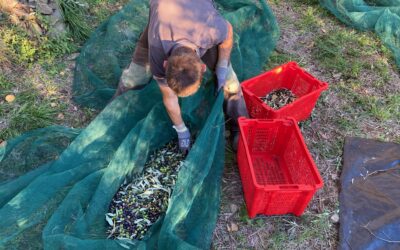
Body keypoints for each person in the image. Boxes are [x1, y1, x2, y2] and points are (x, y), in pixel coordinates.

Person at [113, 0, 248, 153]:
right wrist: (181, 130)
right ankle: (114, 112)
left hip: (195, 14)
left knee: (230, 83)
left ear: (203, 67)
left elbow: (228, 32)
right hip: (161, 11)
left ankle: (240, 125)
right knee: (135, 75)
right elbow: (169, 98)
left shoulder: (212, 30)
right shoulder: (157, 49)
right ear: (165, 64)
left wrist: (222, 66)